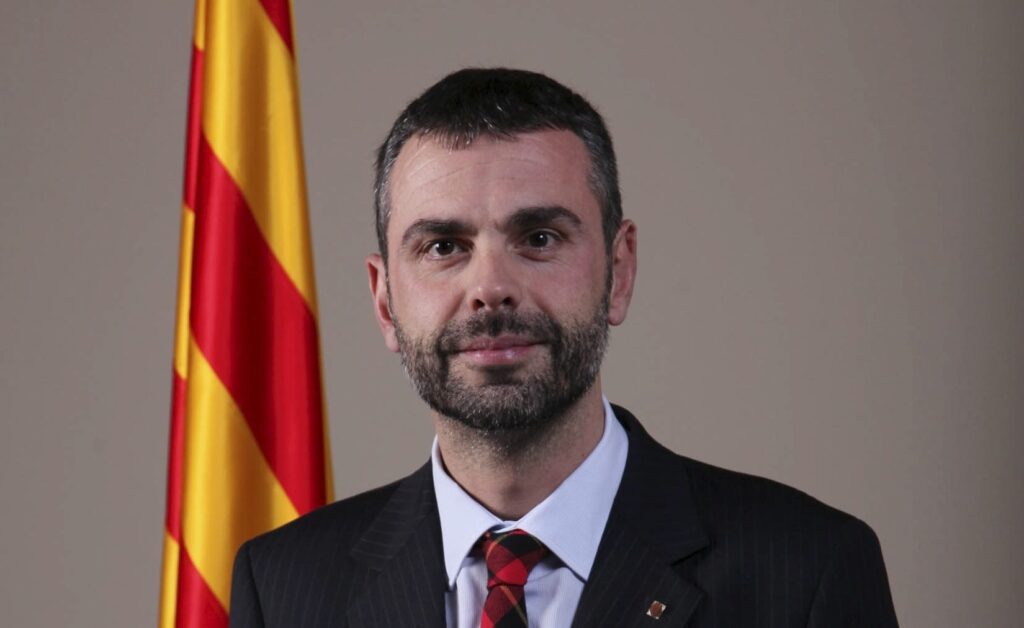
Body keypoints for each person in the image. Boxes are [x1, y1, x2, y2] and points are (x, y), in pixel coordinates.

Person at [229, 68, 899, 627]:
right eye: (443, 246)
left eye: (540, 238)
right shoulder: (284, 587)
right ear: (384, 301)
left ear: (619, 271)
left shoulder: (809, 572)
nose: (490, 288)